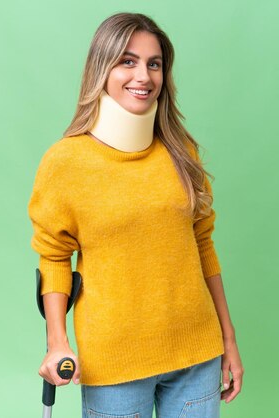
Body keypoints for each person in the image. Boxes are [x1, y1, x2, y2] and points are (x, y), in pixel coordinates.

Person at [28, 12, 243, 418]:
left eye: (154, 63)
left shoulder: (182, 153)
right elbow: (54, 258)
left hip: (196, 353)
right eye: (127, 61)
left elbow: (202, 245)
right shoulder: (66, 162)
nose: (143, 75)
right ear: (101, 68)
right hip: (115, 362)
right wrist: (57, 342)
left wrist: (228, 339)